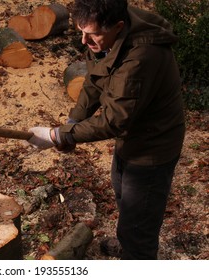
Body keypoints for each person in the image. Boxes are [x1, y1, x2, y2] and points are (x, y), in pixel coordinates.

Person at [27, 0, 185, 260]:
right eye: (81, 31)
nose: (84, 41)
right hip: (131, 139)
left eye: (92, 34)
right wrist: (73, 122)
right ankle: (128, 240)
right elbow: (94, 79)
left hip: (152, 147)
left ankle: (137, 255)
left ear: (119, 26)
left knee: (139, 222)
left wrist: (58, 135)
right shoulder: (106, 30)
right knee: (124, 195)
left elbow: (114, 120)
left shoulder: (142, 56)